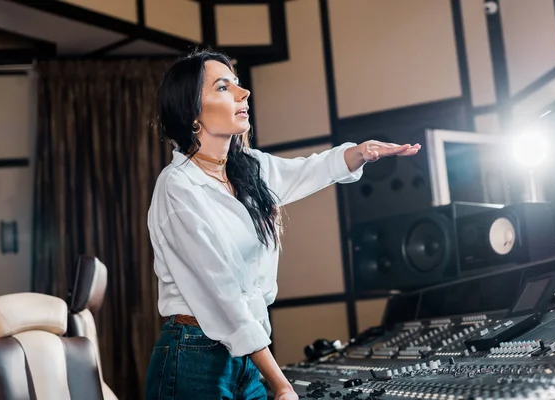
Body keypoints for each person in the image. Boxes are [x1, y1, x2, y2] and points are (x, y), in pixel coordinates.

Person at [144, 48, 421, 400]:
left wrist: (363, 151)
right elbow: (222, 295)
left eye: (239, 84)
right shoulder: (177, 187)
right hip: (193, 354)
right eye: (223, 87)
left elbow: (312, 169)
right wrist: (280, 383)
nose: (243, 94)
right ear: (191, 112)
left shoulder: (250, 168)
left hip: (247, 351)